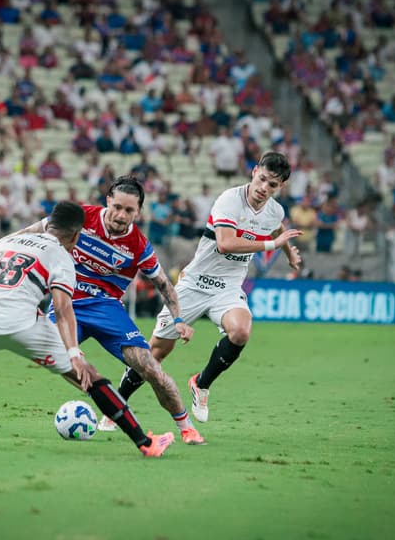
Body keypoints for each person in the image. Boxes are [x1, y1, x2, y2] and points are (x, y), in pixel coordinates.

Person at [0, 201, 175, 457]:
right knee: (90, 376)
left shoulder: (9, 241)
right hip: (23, 323)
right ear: (76, 235)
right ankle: (145, 443)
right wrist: (74, 353)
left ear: (49, 225)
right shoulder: (62, 256)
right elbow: (63, 309)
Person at [105, 152, 302, 425]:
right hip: (195, 283)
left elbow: (276, 226)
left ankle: (201, 384)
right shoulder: (230, 200)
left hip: (228, 287)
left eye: (272, 185)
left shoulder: (275, 210)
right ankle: (116, 406)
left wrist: (289, 252)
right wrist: (273, 244)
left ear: (281, 186)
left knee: (241, 331)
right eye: (262, 179)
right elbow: (225, 244)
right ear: (254, 171)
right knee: (155, 354)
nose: (263, 188)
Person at [19, 177, 205, 445]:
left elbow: (163, 284)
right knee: (52, 354)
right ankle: (112, 404)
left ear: (138, 212)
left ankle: (186, 427)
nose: (121, 215)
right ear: (107, 201)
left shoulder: (138, 245)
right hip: (67, 301)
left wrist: (178, 319)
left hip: (107, 308)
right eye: (117, 207)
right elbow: (29, 232)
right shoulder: (82, 217)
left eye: (129, 210)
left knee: (150, 367)